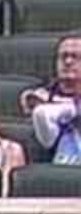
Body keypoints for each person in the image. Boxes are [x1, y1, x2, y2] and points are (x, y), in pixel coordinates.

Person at [21, 35, 81, 166]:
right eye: (63, 56)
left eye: (75, 57)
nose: (68, 61)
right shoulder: (43, 94)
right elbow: (29, 101)